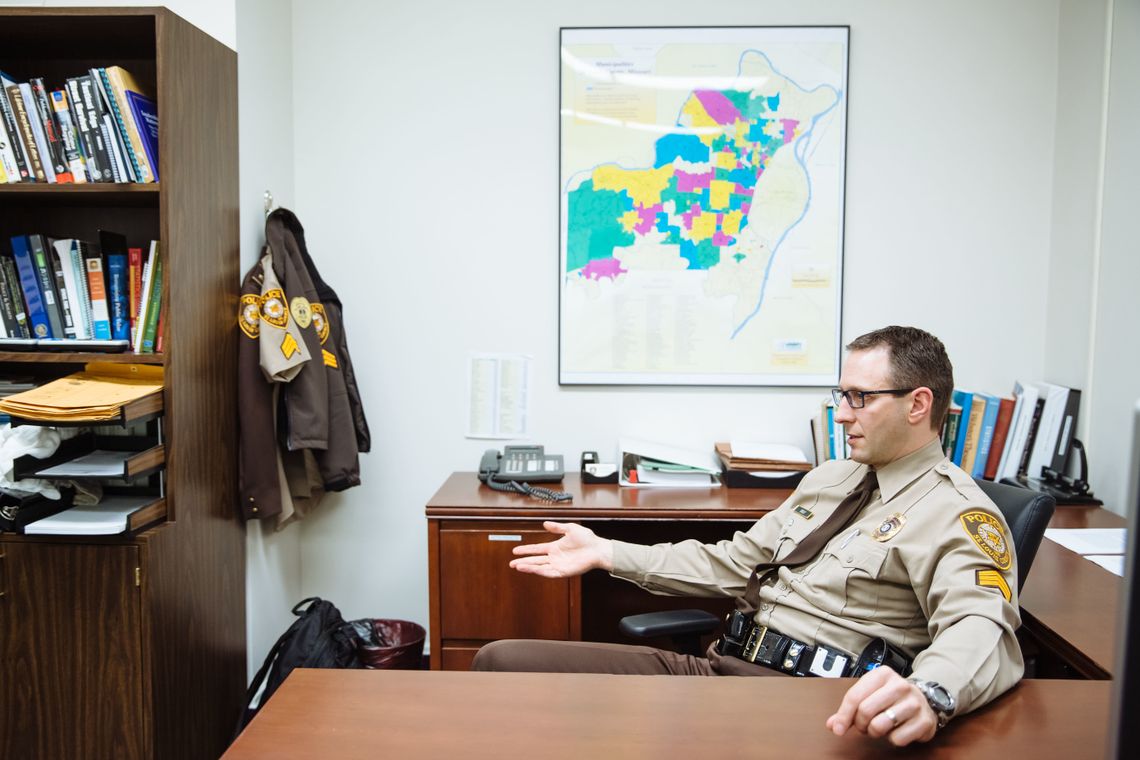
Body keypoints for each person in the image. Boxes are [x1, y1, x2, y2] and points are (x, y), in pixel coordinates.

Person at [472, 326, 1023, 747]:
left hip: (805, 705)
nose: (840, 414)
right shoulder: (832, 478)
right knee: (501, 662)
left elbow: (981, 626)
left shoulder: (958, 513)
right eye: (840, 395)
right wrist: (607, 553)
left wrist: (931, 694)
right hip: (721, 666)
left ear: (918, 404)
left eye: (859, 398)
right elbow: (733, 563)